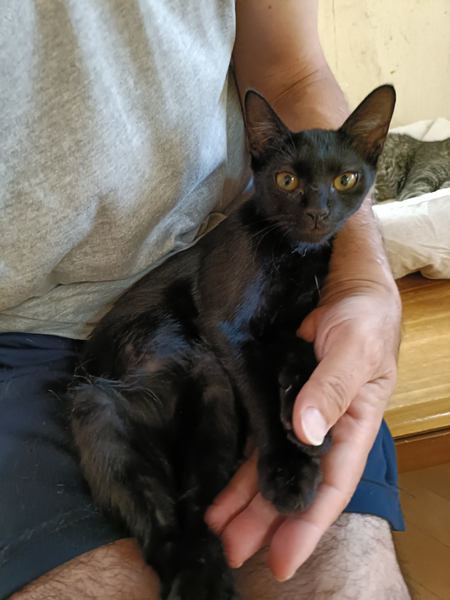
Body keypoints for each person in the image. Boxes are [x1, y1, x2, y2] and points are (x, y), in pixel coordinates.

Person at [0, 1, 410, 598]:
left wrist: (363, 275)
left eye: (345, 182)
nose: (320, 207)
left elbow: (292, 70)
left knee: (351, 581)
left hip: (224, 266)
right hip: (22, 328)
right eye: (293, 182)